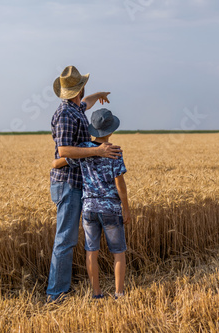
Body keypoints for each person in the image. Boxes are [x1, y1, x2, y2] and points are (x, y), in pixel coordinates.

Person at [47, 65, 122, 303]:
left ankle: (60, 289)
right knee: (66, 238)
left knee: (68, 238)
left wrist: (98, 95)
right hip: (68, 183)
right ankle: (56, 293)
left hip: (75, 181)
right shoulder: (66, 115)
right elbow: (63, 150)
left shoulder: (75, 108)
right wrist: (97, 150)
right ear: (80, 88)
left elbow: (86, 103)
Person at [52, 108, 130, 299]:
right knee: (118, 252)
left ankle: (97, 294)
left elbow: (56, 164)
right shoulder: (114, 152)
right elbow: (120, 184)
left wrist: (62, 161)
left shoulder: (84, 150)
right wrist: (126, 208)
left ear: (93, 129)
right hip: (110, 209)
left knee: (91, 251)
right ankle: (119, 293)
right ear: (111, 130)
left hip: (88, 208)